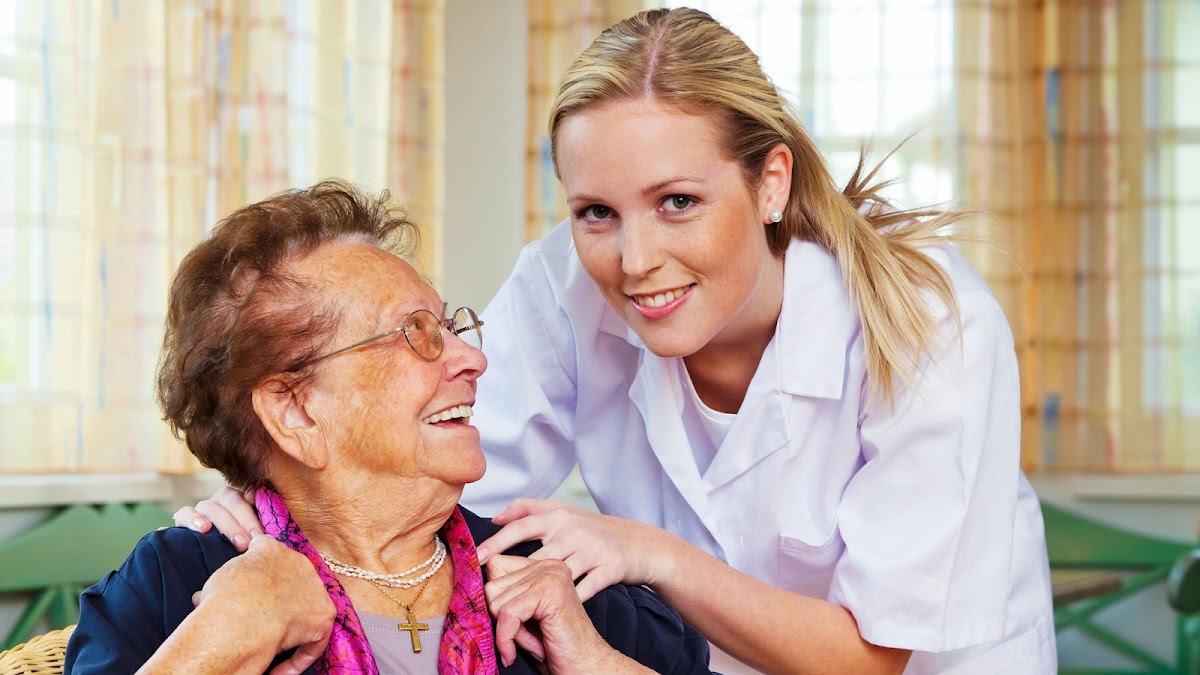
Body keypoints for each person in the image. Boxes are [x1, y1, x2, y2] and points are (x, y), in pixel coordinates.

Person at [176, 8, 1056, 674]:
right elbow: (431, 481)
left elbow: (870, 656)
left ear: (771, 180)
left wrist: (649, 551)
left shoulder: (933, 324)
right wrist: (276, 500)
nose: (635, 262)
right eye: (597, 212)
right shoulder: (562, 286)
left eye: (678, 201)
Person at [66, 181, 711, 674]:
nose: (474, 358)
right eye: (416, 335)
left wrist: (598, 663)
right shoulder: (177, 589)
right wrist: (223, 635)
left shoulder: (554, 587)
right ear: (295, 412)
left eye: (450, 327)